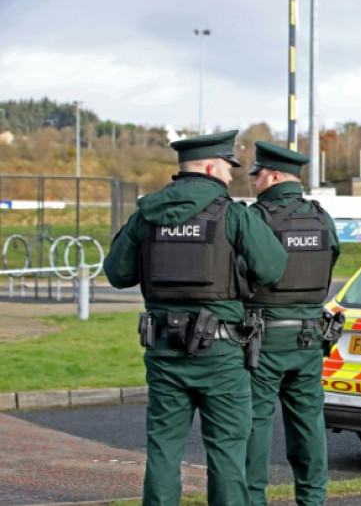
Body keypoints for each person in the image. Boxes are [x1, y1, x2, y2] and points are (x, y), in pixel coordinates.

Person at [103, 130, 288, 506]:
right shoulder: (233, 215)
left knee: (163, 449)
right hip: (221, 355)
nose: (231, 176)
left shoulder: (146, 215)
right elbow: (272, 269)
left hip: (164, 350)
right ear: (210, 168)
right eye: (228, 168)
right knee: (227, 451)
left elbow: (118, 274)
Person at [244, 141, 340, 506]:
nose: (253, 181)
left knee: (255, 424)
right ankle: (312, 500)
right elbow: (330, 260)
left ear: (273, 176)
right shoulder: (322, 218)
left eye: (257, 175)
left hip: (263, 339)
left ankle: (253, 499)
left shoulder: (254, 218)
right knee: (308, 423)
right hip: (310, 337)